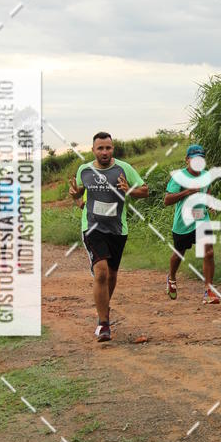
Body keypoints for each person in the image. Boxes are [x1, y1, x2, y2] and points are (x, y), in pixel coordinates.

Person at [69, 132, 148, 341]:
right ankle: (104, 324)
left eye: (108, 148)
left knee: (112, 275)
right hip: (93, 227)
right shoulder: (84, 170)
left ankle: (103, 309)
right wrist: (76, 197)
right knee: (101, 272)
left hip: (117, 229)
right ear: (93, 150)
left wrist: (130, 189)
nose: (105, 152)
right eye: (100, 148)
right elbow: (79, 195)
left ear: (113, 149)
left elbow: (145, 190)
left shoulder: (124, 168)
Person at [164, 144, 220, 304]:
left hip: (202, 219)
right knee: (179, 254)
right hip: (183, 223)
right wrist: (187, 192)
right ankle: (172, 277)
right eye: (194, 158)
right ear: (187, 160)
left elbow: (206, 191)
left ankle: (209, 291)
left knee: (208, 252)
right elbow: (167, 200)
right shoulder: (179, 178)